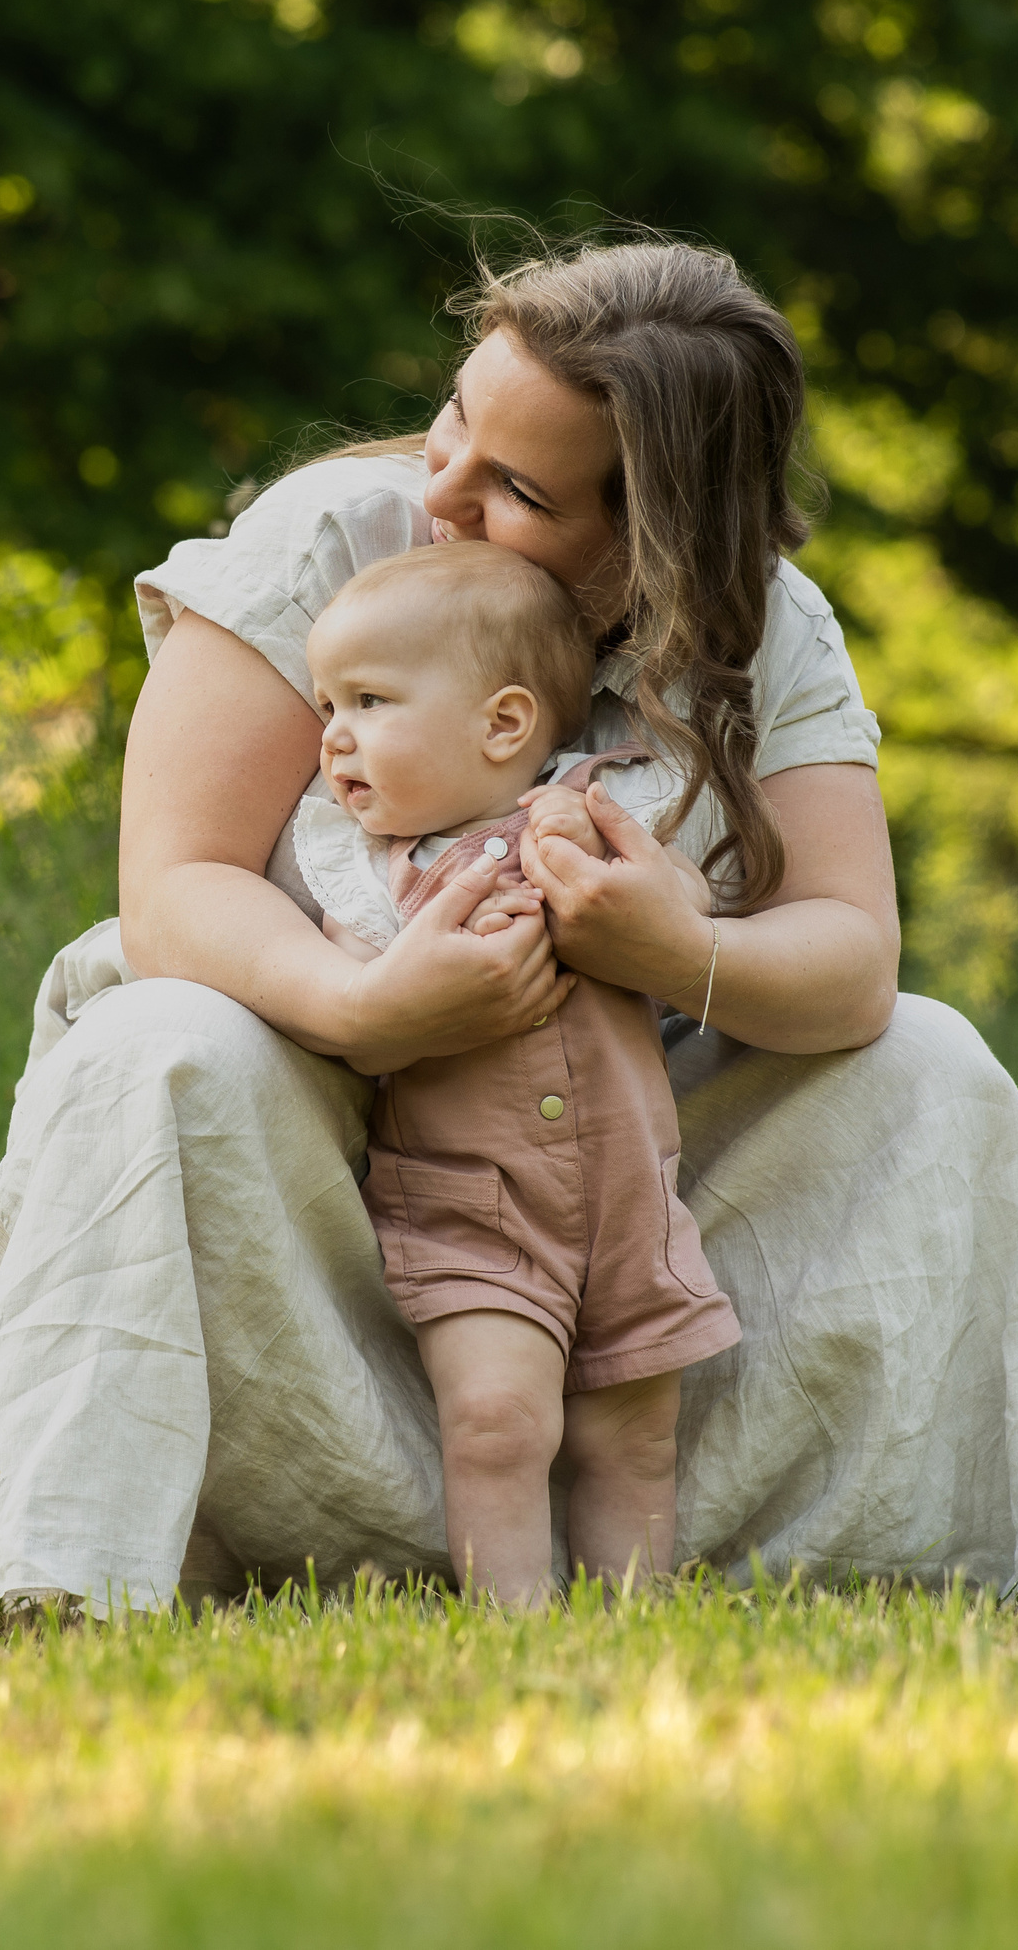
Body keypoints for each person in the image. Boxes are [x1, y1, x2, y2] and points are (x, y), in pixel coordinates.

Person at [0, 237, 1018, 1642]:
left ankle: (798, 1543)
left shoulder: (771, 629)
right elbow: (172, 883)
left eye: (517, 488)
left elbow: (853, 957)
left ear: (653, 539)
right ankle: (74, 1557)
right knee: (159, 1041)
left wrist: (680, 949)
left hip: (620, 1167)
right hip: (316, 1140)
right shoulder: (335, 541)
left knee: (935, 1060)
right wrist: (370, 1006)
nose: (442, 491)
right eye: (453, 424)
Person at [300, 542, 740, 1604]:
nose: (333, 736)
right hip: (470, 1210)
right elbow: (353, 1029)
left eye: (368, 700)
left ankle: (627, 1628)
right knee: (498, 1420)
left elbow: (693, 925)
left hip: (630, 1201)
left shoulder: (597, 817)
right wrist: (393, 987)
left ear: (501, 724)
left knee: (631, 1438)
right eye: (326, 705)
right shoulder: (366, 881)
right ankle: (511, 1636)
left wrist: (642, 895)